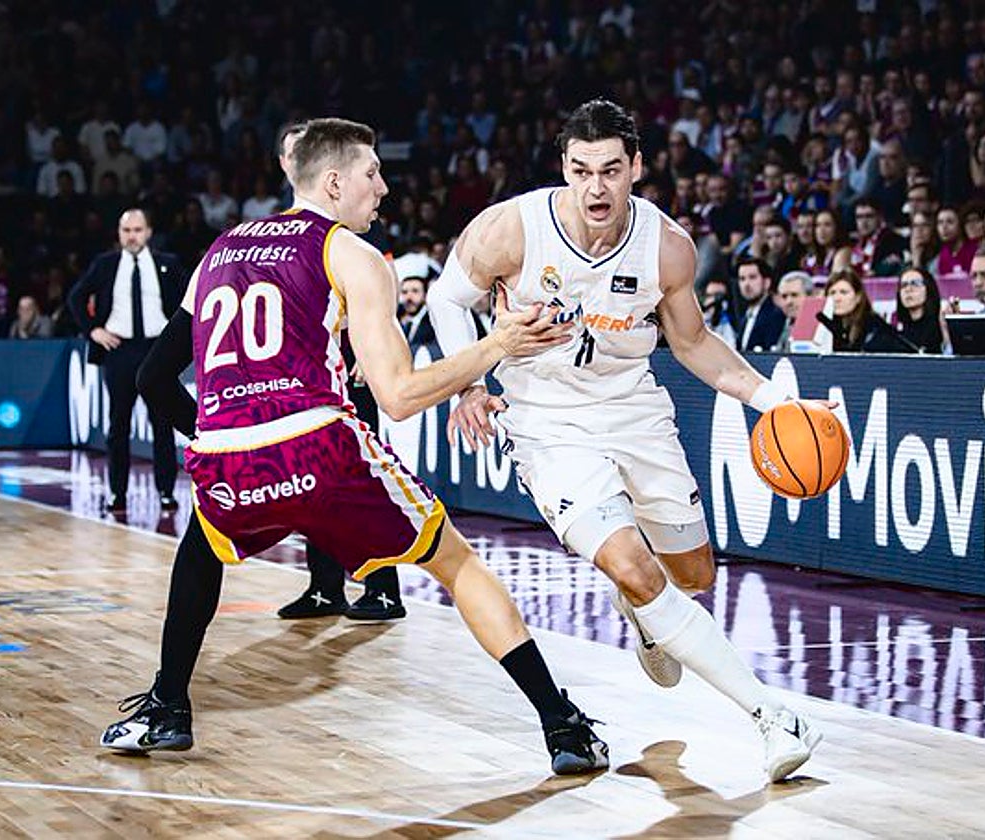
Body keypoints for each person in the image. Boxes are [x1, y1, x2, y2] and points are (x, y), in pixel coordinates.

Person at [102, 118, 610, 776]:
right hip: (316, 446)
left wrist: (213, 437)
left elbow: (154, 375)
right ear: (335, 182)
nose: (384, 187)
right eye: (373, 173)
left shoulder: (219, 249)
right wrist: (496, 346)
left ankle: (167, 706)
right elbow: (398, 396)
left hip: (228, 455)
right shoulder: (352, 255)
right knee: (458, 565)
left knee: (201, 547)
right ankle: (562, 725)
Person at [427, 99, 822, 783]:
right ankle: (774, 718)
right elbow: (445, 299)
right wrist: (468, 385)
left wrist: (777, 401)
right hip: (547, 424)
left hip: (634, 410)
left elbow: (693, 343)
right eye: (582, 170)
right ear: (564, 168)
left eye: (610, 170)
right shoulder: (512, 229)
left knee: (693, 577)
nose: (596, 187)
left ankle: (643, 615)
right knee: (635, 569)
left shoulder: (666, 246)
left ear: (636, 167)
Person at [270, 122, 409, 622]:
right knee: (316, 483)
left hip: (353, 364)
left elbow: (384, 284)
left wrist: (366, 352)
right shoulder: (283, 227)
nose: (296, 159)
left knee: (364, 478)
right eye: (290, 153)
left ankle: (384, 587)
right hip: (311, 376)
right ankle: (325, 586)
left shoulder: (355, 220)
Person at [68, 208, 188, 514]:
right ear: (119, 234)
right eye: (126, 231)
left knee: (162, 423)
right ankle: (117, 493)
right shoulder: (105, 264)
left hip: (156, 350)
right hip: (119, 350)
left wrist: (176, 338)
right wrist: (93, 330)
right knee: (118, 425)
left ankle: (166, 491)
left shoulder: (167, 264)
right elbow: (76, 297)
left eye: (137, 230)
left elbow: (190, 299)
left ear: (149, 232)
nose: (132, 236)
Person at [821, 269, 915, 353]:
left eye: (843, 292)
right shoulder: (823, 326)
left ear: (858, 297)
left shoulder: (875, 327)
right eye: (832, 293)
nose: (837, 299)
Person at [733, 257, 787, 353]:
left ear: (767, 283)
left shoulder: (775, 315)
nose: (746, 284)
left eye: (752, 277)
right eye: (742, 279)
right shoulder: (746, 314)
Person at [894, 266, 945, 353]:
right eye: (903, 285)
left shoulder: (940, 326)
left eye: (915, 283)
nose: (908, 289)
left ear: (928, 288)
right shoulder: (896, 331)